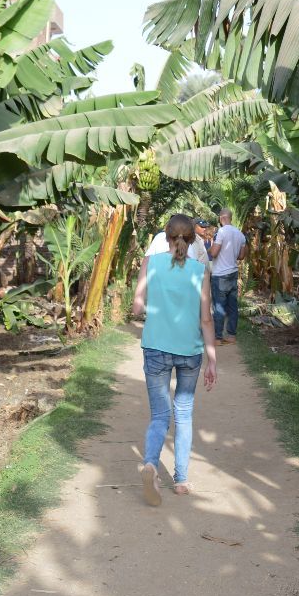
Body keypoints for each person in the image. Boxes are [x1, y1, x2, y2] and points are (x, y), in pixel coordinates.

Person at [130, 213, 217, 505]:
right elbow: (206, 319)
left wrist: (145, 308)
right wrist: (212, 359)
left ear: (166, 236)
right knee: (183, 412)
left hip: (155, 347)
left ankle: (151, 464)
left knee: (159, 415)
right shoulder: (200, 270)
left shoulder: (150, 263)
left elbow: (136, 306)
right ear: (194, 239)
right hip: (189, 352)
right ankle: (180, 480)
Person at [208, 208, 247, 344]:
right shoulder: (240, 234)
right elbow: (241, 256)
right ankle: (231, 336)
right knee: (232, 306)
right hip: (233, 273)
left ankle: (218, 337)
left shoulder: (222, 232)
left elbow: (214, 253)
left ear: (221, 218)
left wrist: (210, 247)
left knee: (218, 306)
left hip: (220, 275)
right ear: (230, 217)